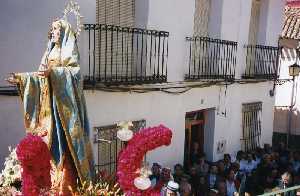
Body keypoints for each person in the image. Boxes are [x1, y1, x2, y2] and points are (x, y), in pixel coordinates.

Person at [7, 19, 94, 194]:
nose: (52, 32)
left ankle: (66, 186)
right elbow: (40, 76)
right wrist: (21, 78)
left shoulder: (68, 50)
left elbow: (75, 74)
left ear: (64, 33)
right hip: (49, 107)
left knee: (65, 145)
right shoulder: (49, 51)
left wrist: (53, 73)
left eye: (56, 29)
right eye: (52, 29)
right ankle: (49, 184)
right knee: (48, 142)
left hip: (63, 108)